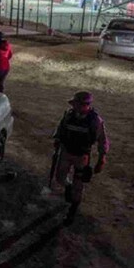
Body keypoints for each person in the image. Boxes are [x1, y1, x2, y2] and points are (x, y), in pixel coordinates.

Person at [52, 91, 109, 226]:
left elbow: (103, 139)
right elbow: (61, 129)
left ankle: (73, 209)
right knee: (60, 177)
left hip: (81, 156)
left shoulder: (95, 121)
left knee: (79, 185)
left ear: (85, 105)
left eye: (76, 104)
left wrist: (102, 158)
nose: (74, 106)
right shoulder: (69, 115)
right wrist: (57, 140)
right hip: (66, 152)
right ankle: (68, 187)